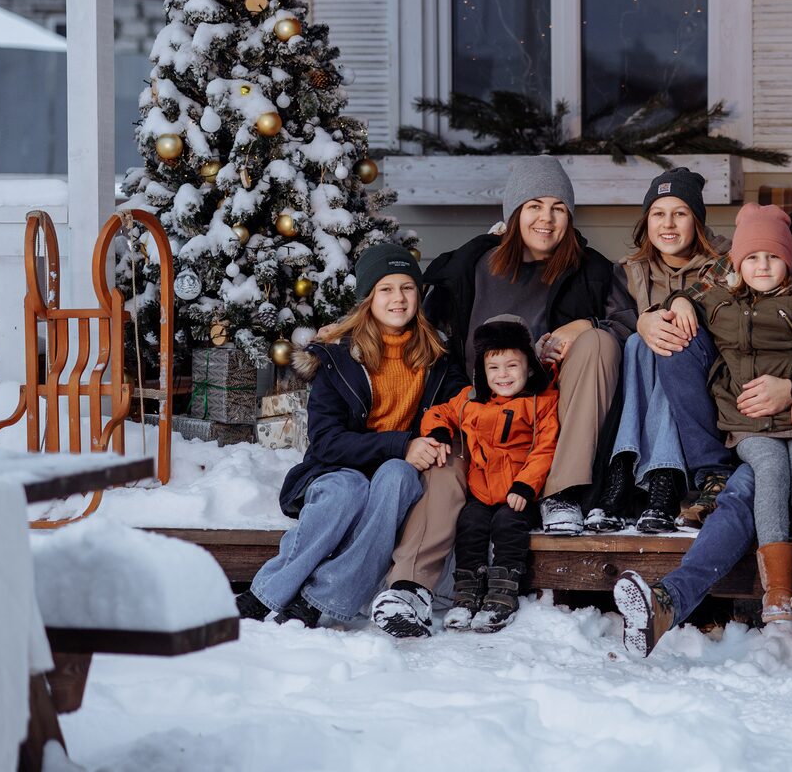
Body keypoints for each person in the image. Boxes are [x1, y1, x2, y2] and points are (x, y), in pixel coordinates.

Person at [613, 139, 792, 655]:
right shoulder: (763, 235)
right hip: (744, 418)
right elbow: (706, 292)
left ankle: (669, 601)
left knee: (751, 490)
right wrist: (663, 309)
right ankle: (708, 469)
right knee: (679, 338)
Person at [371, 157, 636, 633]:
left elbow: (628, 326)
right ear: (514, 213)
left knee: (600, 340)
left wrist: (586, 325)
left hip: (546, 423)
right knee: (445, 461)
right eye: (534, 205)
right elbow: (420, 327)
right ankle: (408, 589)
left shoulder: (592, 271)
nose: (547, 218)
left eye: (559, 208)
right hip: (480, 415)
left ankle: (562, 494)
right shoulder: (474, 264)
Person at [233, 244, 468, 628]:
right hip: (339, 467)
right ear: (369, 298)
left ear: (419, 295)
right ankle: (266, 593)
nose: (398, 298)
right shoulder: (338, 357)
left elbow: (461, 409)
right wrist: (401, 444)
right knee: (348, 489)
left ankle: (319, 599)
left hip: (398, 471)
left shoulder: (438, 359)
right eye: (386, 289)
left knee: (396, 476)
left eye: (407, 288)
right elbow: (325, 442)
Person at [668, 204, 792, 622]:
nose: (763, 266)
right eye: (753, 257)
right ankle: (776, 589)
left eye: (774, 257)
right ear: (737, 262)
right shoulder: (720, 302)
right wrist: (680, 299)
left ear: (788, 261)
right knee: (772, 471)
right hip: (750, 423)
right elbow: (689, 299)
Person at [391, 316, 557, 636]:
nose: (503, 375)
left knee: (509, 524)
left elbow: (546, 448)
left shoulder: (541, 402)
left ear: (530, 367)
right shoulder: (470, 399)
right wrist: (438, 431)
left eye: (512, 366)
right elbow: (440, 412)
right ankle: (467, 592)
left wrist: (526, 484)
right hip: (481, 490)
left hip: (520, 490)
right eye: (494, 368)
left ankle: (502, 592)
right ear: (482, 370)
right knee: (470, 523)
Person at [585, 168, 730, 534]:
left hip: (707, 381)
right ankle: (623, 469)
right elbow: (617, 326)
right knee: (637, 341)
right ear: (646, 220)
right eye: (658, 213)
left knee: (669, 343)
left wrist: (666, 315)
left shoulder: (725, 263)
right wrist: (642, 322)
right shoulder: (630, 271)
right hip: (645, 389)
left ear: (696, 221)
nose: (668, 224)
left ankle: (664, 477)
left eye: (680, 213)